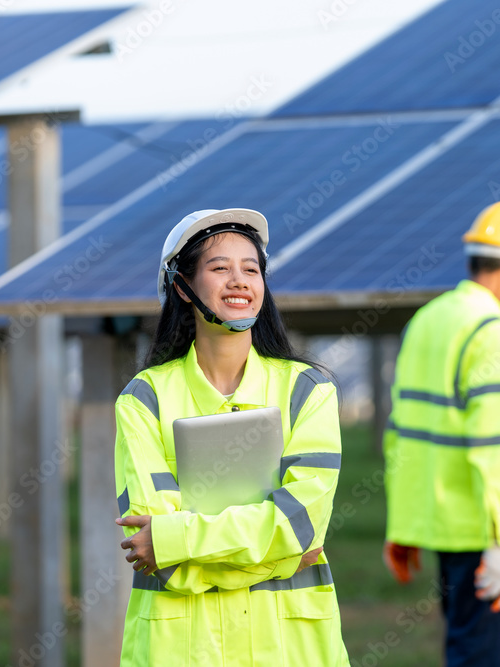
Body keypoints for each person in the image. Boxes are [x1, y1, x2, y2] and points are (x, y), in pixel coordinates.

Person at [114, 208, 349, 666]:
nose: (240, 280)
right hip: (182, 650)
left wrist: (176, 540)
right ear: (182, 287)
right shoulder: (144, 400)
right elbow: (150, 546)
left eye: (252, 268)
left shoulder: (308, 391)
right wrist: (279, 555)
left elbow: (302, 526)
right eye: (220, 268)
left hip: (289, 649)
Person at [382, 200, 500, 666]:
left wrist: (403, 527)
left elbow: (401, 435)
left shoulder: (428, 318)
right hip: (479, 532)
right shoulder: (491, 330)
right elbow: (494, 446)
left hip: (439, 527)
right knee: (480, 655)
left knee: (462, 646)